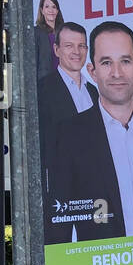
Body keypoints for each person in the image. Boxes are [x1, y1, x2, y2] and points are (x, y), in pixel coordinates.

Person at [45, 21, 133, 244]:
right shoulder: (70, 136)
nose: (117, 73)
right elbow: (57, 229)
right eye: (106, 62)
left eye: (125, 61)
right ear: (92, 70)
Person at [37, 21, 98, 189]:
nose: (76, 52)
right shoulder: (43, 90)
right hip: (63, 187)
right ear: (57, 50)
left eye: (82, 46)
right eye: (69, 46)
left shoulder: (93, 91)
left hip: (95, 181)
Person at [35, 0, 64, 81]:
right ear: (42, 10)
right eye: (47, 7)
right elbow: (34, 62)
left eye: (54, 7)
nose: (51, 10)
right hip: (45, 82)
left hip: (63, 81)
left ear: (57, 11)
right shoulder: (36, 32)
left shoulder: (64, 32)